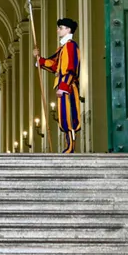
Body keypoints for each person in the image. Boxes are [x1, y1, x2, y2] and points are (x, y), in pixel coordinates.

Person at [33, 18, 82, 154]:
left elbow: (70, 68)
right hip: (64, 86)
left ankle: (71, 147)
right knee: (63, 118)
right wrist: (40, 59)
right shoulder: (63, 48)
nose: (58, 30)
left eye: (60, 28)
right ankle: (69, 146)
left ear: (68, 30)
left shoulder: (70, 46)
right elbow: (55, 65)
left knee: (69, 117)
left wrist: (64, 86)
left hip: (68, 87)